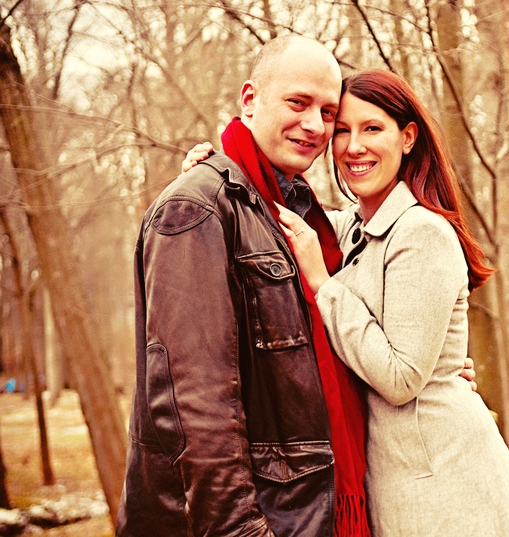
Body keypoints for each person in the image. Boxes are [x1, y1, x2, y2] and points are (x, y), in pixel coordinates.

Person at [118, 35, 371, 536]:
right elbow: (197, 406)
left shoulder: (296, 213)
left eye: (327, 112)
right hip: (254, 522)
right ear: (250, 100)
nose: (314, 126)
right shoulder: (197, 209)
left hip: (304, 509)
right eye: (297, 103)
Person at [275, 69, 509, 536]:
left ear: (408, 137)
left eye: (372, 129)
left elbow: (400, 379)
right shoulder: (348, 229)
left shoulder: (422, 233)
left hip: (446, 482)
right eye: (343, 131)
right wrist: (216, 167)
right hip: (398, 481)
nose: (354, 147)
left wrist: (321, 282)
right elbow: (271, 210)